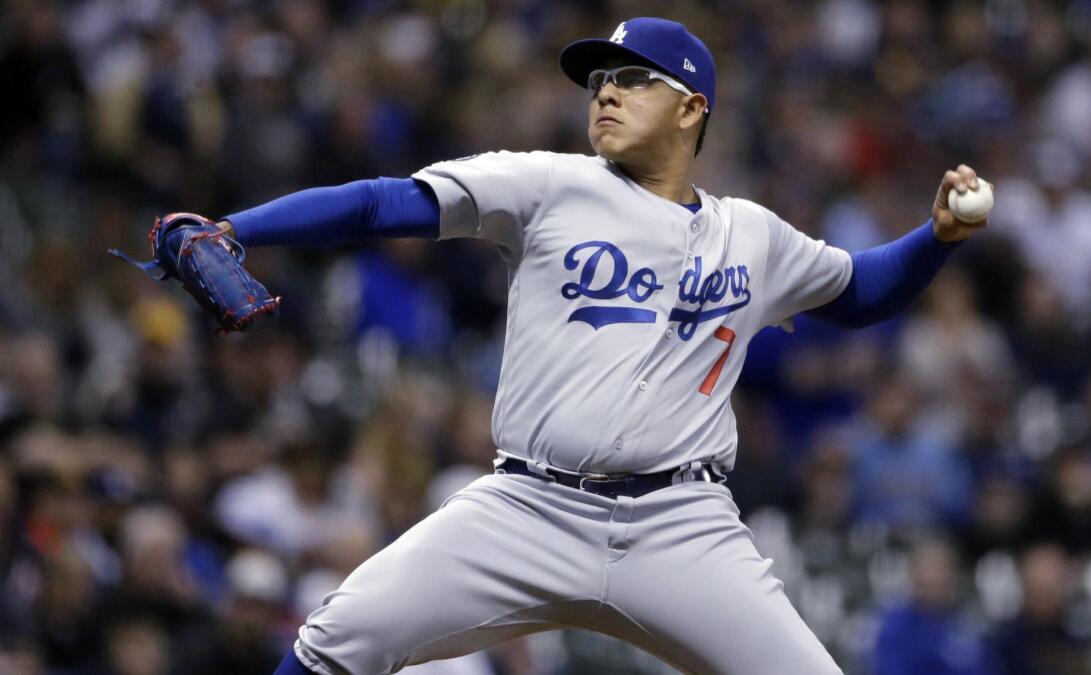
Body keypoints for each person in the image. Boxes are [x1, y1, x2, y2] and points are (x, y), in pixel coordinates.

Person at [210, 17, 986, 675]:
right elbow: (383, 204)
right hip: (527, 509)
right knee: (335, 641)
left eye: (630, 78)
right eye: (597, 81)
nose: (605, 91)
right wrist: (238, 228)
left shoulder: (752, 234)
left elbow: (860, 293)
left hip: (681, 525)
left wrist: (937, 237)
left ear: (691, 108)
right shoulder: (547, 184)